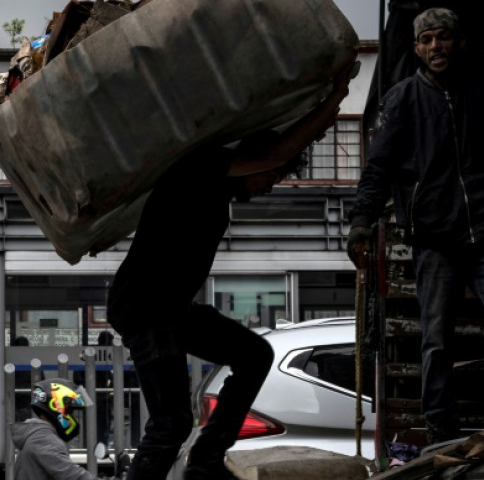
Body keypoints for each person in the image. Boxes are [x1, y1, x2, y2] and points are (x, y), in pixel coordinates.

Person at [106, 65, 353, 480]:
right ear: (248, 160)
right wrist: (333, 100)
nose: (272, 183)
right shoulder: (200, 168)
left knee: (255, 355)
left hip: (172, 309)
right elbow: (275, 153)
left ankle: (206, 459)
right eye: (272, 175)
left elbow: (272, 160)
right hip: (146, 307)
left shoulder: (218, 193)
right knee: (170, 424)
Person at [347, 7, 484, 445]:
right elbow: (379, 167)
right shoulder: (403, 98)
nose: (435, 47)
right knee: (436, 338)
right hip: (434, 239)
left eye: (442, 37)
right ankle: (439, 426)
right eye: (426, 40)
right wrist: (361, 222)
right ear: (416, 49)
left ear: (458, 41)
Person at [11, 378, 103, 480]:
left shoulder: (39, 435)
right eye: (70, 411)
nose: (74, 417)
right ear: (56, 406)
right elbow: (71, 475)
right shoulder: (43, 439)